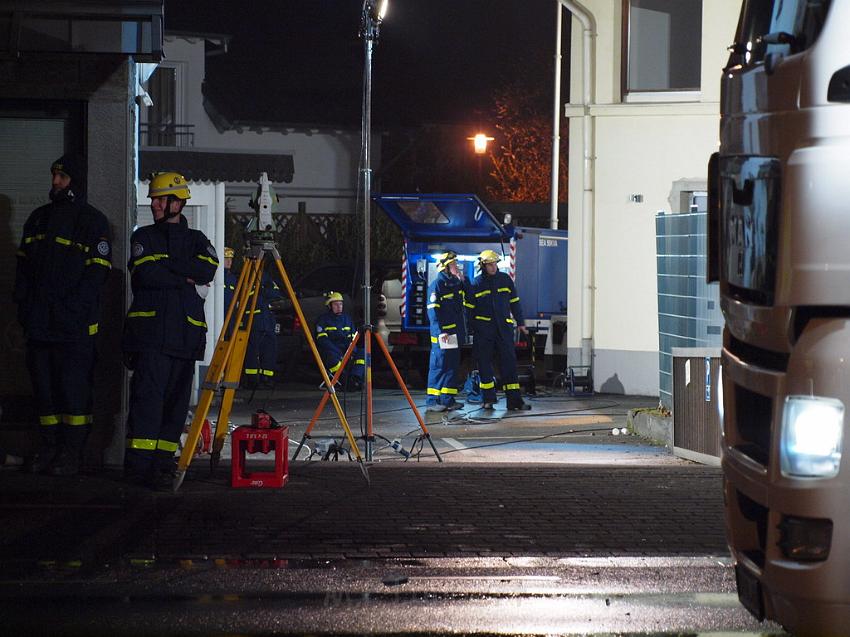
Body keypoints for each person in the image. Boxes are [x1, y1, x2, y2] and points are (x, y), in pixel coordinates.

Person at [13, 154, 112, 476]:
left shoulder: (92, 221)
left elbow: (95, 278)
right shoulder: (38, 219)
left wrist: (71, 313)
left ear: (76, 182)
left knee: (73, 393)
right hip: (40, 326)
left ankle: (72, 453)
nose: (55, 182)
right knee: (45, 392)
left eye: (62, 177)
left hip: (74, 330)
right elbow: (23, 273)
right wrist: (26, 311)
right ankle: (50, 448)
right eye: (54, 176)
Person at [122, 172, 218, 489]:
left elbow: (208, 269)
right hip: (151, 337)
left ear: (178, 202)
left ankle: (163, 465)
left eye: (161, 199)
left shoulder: (197, 239)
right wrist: (184, 277)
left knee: (176, 407)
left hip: (185, 338)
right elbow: (146, 275)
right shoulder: (144, 237)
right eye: (154, 199)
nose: (155, 204)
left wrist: (171, 266)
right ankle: (138, 468)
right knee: (147, 402)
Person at [467, 249, 531, 411]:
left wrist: (521, 323)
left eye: (495, 264)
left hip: (503, 330)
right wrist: (471, 330)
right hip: (484, 333)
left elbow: (515, 302)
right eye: (490, 265)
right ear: (483, 265)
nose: (493, 267)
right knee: (484, 366)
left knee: (509, 365)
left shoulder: (505, 280)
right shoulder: (476, 283)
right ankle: (488, 399)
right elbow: (469, 311)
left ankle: (515, 401)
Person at [425, 251, 467, 412]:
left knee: (451, 366)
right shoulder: (437, 285)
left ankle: (447, 399)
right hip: (443, 334)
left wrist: (463, 279)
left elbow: (467, 297)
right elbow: (433, 312)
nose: (457, 266)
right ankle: (432, 401)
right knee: (439, 366)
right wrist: (440, 332)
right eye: (453, 264)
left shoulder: (456, 283)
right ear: (446, 267)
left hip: (454, 333)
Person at [242, 265, 282, 388]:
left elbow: (276, 293)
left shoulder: (266, 276)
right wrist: (261, 290)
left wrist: (262, 290)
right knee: (252, 352)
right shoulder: (246, 276)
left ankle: (267, 377)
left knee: (269, 349)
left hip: (268, 321)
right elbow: (246, 296)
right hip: (253, 321)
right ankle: (252, 380)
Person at [315, 292, 364, 390]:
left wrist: (352, 350)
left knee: (362, 353)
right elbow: (322, 340)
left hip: (346, 349)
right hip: (332, 350)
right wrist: (337, 352)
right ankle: (343, 380)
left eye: (340, 304)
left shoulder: (347, 319)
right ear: (330, 306)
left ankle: (355, 379)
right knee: (331, 357)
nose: (339, 306)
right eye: (336, 304)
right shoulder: (323, 320)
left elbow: (353, 338)